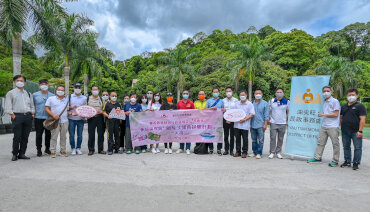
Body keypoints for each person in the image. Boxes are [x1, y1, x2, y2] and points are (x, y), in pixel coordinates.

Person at [307, 86, 340, 167]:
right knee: (320, 142)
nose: (326, 92)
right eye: (324, 91)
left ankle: (335, 160)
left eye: (328, 91)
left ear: (331, 91)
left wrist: (323, 115)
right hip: (324, 125)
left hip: (333, 126)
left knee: (335, 144)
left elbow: (336, 114)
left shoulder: (335, 101)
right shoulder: (324, 101)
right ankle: (317, 158)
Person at [5, 75, 35, 161]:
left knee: (25, 136)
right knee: (17, 136)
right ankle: (15, 154)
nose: (20, 82)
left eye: (22, 81)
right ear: (14, 82)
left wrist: (32, 114)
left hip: (28, 117)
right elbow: (8, 107)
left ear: (25, 83)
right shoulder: (11, 93)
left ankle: (22, 153)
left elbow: (32, 105)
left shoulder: (28, 94)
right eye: (18, 80)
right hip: (17, 116)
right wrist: (13, 115)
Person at [340, 88, 367, 170]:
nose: (351, 96)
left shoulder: (360, 106)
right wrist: (342, 128)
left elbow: (362, 119)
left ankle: (356, 162)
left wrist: (360, 131)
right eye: (349, 95)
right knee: (346, 147)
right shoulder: (344, 106)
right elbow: (341, 118)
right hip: (345, 131)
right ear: (346, 96)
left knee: (357, 147)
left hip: (356, 131)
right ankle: (347, 161)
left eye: (353, 95)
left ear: (357, 96)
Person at [45, 85, 69, 158]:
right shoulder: (51, 99)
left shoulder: (67, 100)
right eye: (59, 89)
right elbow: (46, 108)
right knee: (54, 136)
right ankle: (53, 151)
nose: (60, 91)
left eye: (62, 90)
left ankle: (63, 151)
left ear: (64, 92)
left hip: (64, 120)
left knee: (63, 137)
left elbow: (67, 110)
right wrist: (53, 115)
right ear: (56, 91)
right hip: (55, 120)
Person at [33, 79, 54, 157]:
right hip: (38, 117)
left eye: (45, 84)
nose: (44, 85)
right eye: (42, 84)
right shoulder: (35, 95)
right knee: (39, 134)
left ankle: (47, 149)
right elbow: (32, 105)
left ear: (48, 85)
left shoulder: (52, 95)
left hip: (48, 118)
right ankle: (39, 150)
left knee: (48, 134)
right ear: (39, 86)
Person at [269, 88, 289, 159]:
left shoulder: (287, 101)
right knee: (273, 138)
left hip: (282, 123)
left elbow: (288, 111)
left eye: (280, 92)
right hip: (273, 122)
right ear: (275, 93)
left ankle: (278, 152)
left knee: (280, 138)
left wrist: (287, 121)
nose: (279, 93)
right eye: (277, 92)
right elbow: (269, 111)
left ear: (283, 93)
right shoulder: (271, 101)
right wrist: (269, 119)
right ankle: (272, 152)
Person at [233, 90, 255, 158]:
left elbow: (252, 114)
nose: (242, 96)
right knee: (237, 139)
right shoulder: (236, 103)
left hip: (245, 125)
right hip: (237, 124)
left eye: (243, 95)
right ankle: (238, 151)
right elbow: (234, 113)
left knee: (245, 139)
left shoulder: (249, 104)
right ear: (239, 96)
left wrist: (245, 119)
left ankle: (244, 152)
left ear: (246, 95)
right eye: (241, 95)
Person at [68, 83, 87, 155]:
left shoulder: (84, 98)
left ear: (81, 89)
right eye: (76, 87)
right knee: (71, 135)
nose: (77, 89)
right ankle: (73, 148)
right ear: (73, 88)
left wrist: (82, 113)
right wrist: (72, 107)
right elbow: (66, 107)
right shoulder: (69, 97)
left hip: (80, 119)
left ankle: (78, 148)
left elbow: (86, 108)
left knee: (80, 135)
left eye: (79, 88)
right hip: (71, 118)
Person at [87, 85, 106, 156]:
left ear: (99, 90)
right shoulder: (88, 98)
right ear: (91, 91)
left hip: (100, 118)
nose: (95, 91)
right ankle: (91, 150)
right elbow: (85, 109)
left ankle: (100, 149)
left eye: (96, 89)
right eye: (93, 90)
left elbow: (104, 109)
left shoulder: (102, 99)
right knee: (91, 134)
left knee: (101, 134)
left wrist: (101, 111)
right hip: (91, 118)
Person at [250, 89, 269, 159]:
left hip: (261, 125)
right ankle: (254, 152)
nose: (258, 95)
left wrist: (265, 124)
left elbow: (266, 115)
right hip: (252, 124)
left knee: (261, 140)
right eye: (256, 93)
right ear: (254, 95)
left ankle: (259, 153)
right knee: (254, 140)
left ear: (262, 94)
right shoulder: (251, 103)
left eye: (259, 93)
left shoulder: (265, 104)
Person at [206, 87, 224, 155]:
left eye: (216, 92)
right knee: (210, 134)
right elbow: (205, 109)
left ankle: (219, 149)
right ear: (212, 93)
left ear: (219, 93)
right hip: (210, 120)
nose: (215, 93)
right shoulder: (209, 101)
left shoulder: (222, 101)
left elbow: (223, 110)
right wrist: (211, 108)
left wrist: (221, 109)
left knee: (219, 134)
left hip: (219, 120)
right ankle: (211, 149)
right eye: (214, 92)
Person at [176, 90, 195, 155]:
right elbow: (176, 111)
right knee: (181, 134)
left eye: (186, 93)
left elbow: (194, 112)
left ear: (188, 95)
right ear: (182, 94)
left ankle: (188, 148)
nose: (185, 95)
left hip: (189, 122)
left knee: (188, 135)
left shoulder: (191, 103)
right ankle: (181, 148)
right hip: (180, 122)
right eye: (184, 93)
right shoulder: (179, 102)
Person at [222, 86, 238, 156]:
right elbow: (221, 110)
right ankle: (226, 150)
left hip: (233, 120)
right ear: (225, 92)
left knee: (232, 136)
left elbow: (237, 110)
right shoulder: (223, 100)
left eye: (229, 91)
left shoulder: (236, 100)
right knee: (226, 135)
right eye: (227, 91)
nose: (228, 93)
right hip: (225, 119)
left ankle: (231, 150)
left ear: (232, 92)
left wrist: (231, 119)